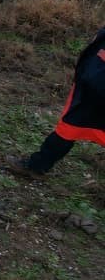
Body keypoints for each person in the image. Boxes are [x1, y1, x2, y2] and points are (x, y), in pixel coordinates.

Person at [9, 26, 105, 178]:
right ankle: (37, 166)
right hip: (92, 88)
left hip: (95, 87)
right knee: (68, 128)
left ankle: (37, 166)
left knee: (69, 127)